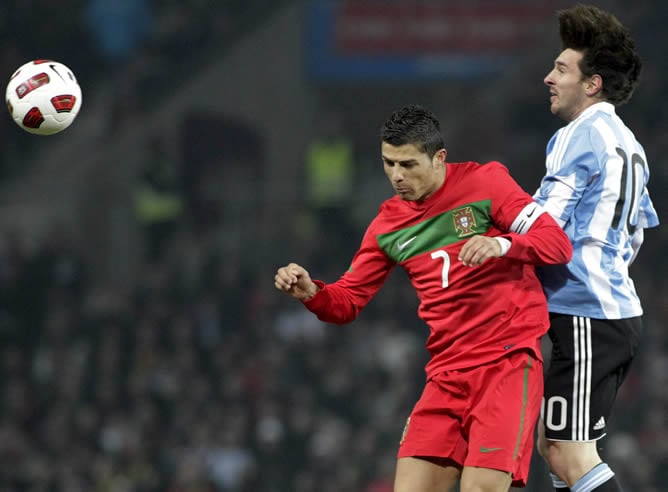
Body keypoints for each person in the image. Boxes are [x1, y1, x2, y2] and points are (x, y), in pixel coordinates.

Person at [274, 104, 573, 492]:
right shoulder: (387, 225)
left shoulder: (487, 183)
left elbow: (556, 244)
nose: (397, 176)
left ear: (439, 158)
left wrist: (500, 244)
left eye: (408, 164)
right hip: (446, 375)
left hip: (507, 362)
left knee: (479, 489)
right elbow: (347, 302)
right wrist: (311, 292)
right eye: (388, 163)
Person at [533, 5, 660, 492]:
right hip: (607, 314)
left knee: (568, 453)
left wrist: (495, 240)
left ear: (592, 84)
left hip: (588, 313)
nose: (548, 77)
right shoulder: (628, 142)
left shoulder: (577, 134)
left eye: (561, 69)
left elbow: (546, 221)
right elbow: (635, 235)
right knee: (556, 446)